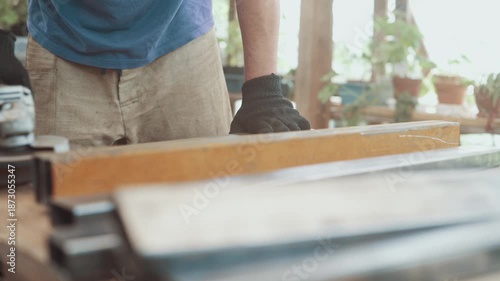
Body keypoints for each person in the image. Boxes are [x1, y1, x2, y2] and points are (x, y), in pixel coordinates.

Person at [1, 0, 310, 147]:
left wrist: (263, 90)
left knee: (202, 214)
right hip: (63, 49)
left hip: (182, 50)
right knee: (44, 219)